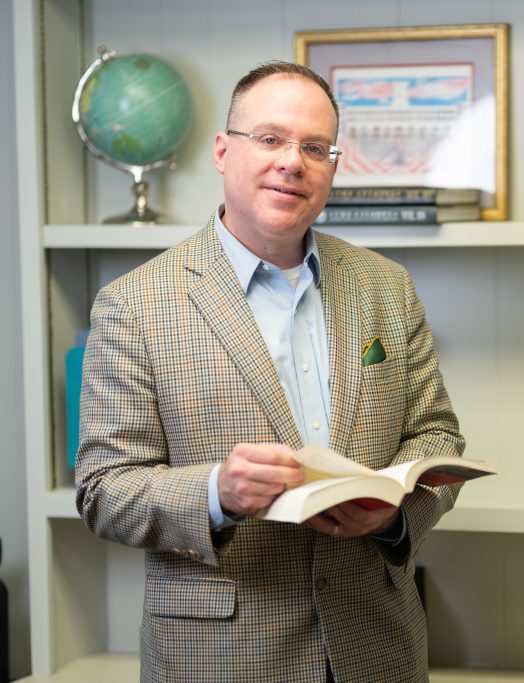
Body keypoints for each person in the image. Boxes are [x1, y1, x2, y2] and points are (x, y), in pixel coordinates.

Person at [75, 60, 465, 683]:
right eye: (270, 139)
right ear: (224, 152)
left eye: (315, 147)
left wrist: (395, 516)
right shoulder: (134, 304)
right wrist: (217, 494)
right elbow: (104, 491)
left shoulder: (386, 286)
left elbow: (437, 438)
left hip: (379, 646)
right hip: (225, 655)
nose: (293, 162)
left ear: (333, 167)